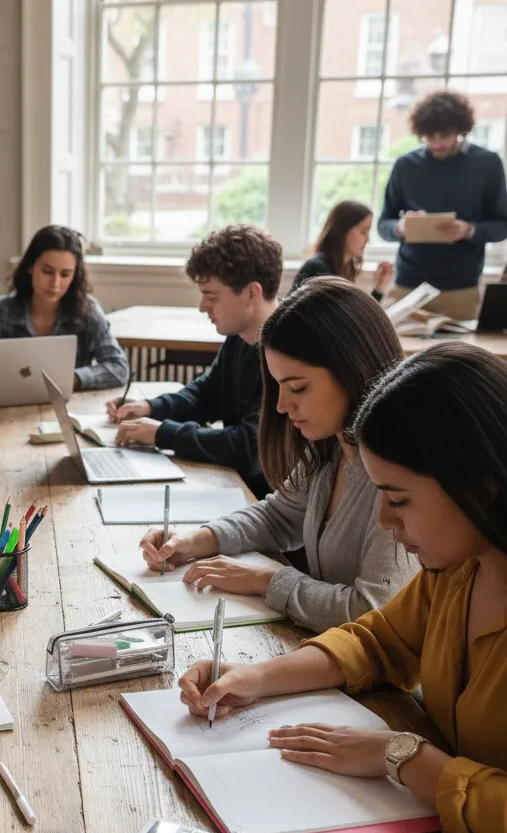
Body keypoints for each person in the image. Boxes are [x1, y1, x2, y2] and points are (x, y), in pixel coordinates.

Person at [178, 343, 507, 833]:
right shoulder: (460, 566)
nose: (384, 521)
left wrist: (400, 756)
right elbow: (377, 640)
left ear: (482, 484)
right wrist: (255, 676)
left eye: (399, 499)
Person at [139, 277, 416, 632]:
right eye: (279, 386)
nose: (283, 406)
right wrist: (196, 540)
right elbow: (280, 516)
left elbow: (373, 612)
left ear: (352, 369)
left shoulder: (399, 474)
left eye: (298, 387)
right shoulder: (331, 446)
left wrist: (265, 581)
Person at [107, 224, 284, 499]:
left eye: (211, 296)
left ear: (252, 293)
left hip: (262, 502)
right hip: (238, 488)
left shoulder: (286, 353)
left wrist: (162, 433)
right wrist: (150, 408)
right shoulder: (241, 335)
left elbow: (250, 448)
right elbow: (206, 394)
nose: (202, 306)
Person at [0, 225, 129, 392]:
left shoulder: (88, 311)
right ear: (30, 267)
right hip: (8, 411)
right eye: (47, 271)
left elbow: (119, 368)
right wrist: (6, 379)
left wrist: (71, 379)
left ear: (75, 275)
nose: (55, 283)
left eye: (65, 274)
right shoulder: (1, 311)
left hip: (69, 413)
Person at [378, 90, 507, 322]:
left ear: (461, 130)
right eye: (429, 135)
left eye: (444, 135)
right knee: (394, 355)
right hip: (407, 286)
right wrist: (401, 227)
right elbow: (383, 224)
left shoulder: (487, 164)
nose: (437, 143)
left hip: (460, 290)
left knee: (457, 357)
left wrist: (469, 230)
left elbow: (502, 225)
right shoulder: (406, 165)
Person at [291, 200, 393, 301]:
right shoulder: (319, 269)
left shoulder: (343, 268)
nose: (368, 240)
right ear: (343, 231)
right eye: (363, 231)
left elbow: (355, 317)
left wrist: (379, 288)